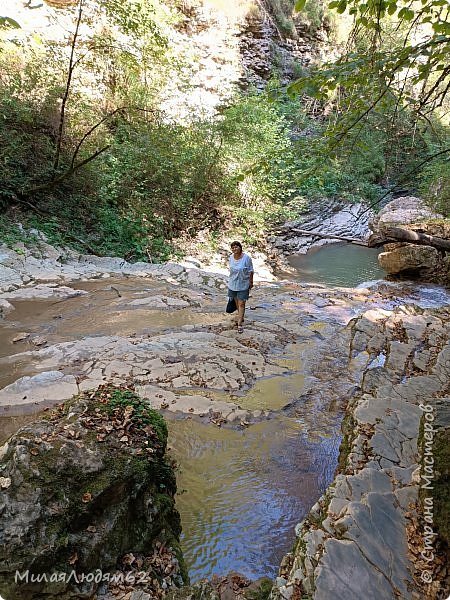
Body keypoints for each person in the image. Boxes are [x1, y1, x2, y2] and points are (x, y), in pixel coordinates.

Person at [228, 241, 254, 333]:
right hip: (233, 284)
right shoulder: (231, 257)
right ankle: (241, 317)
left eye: (236, 247)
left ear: (240, 247)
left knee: (242, 303)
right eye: (233, 248)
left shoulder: (247, 258)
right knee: (236, 303)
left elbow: (251, 270)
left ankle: (239, 324)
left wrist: (251, 282)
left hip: (243, 283)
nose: (235, 249)